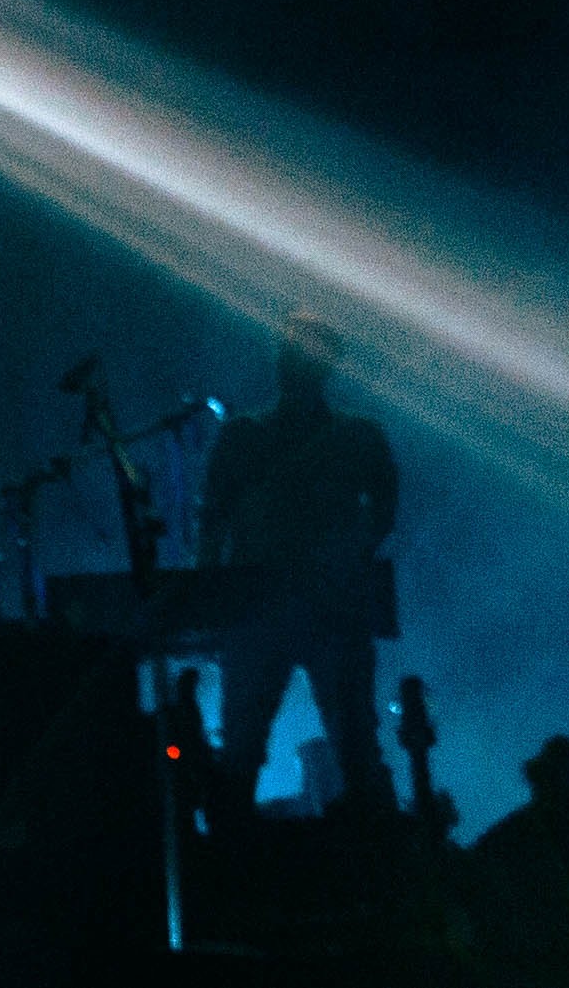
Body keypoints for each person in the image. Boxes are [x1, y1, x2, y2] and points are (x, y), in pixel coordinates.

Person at [199, 312, 400, 815]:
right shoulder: (257, 434)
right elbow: (214, 520)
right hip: (286, 603)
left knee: (330, 744)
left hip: (285, 604)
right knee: (329, 744)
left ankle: (235, 858)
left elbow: (213, 523)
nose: (294, 362)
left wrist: (213, 606)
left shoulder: (258, 435)